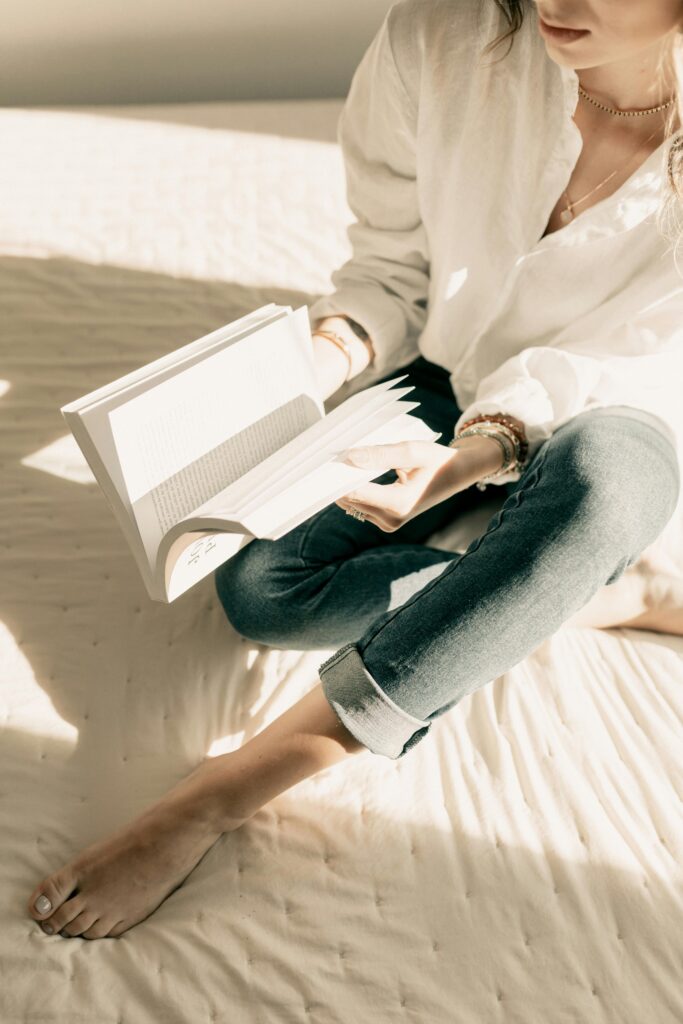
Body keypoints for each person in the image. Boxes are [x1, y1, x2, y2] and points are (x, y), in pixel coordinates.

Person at [28, 0, 683, 940]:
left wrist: (473, 455)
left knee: (602, 490)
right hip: (452, 367)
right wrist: (322, 354)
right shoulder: (441, 36)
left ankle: (219, 795)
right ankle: (595, 591)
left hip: (624, 411)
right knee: (263, 591)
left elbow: (642, 364)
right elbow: (391, 270)